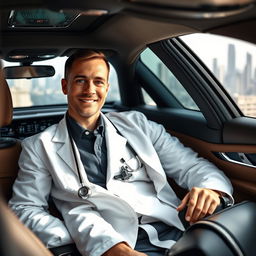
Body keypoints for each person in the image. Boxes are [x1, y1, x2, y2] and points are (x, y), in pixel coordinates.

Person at [9, 50, 233, 256]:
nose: (90, 90)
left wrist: (212, 190)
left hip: (178, 231)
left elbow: (191, 166)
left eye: (98, 82)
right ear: (65, 86)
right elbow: (25, 207)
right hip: (116, 246)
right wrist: (78, 241)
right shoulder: (39, 146)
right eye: (80, 81)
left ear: (107, 88)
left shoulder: (138, 125)